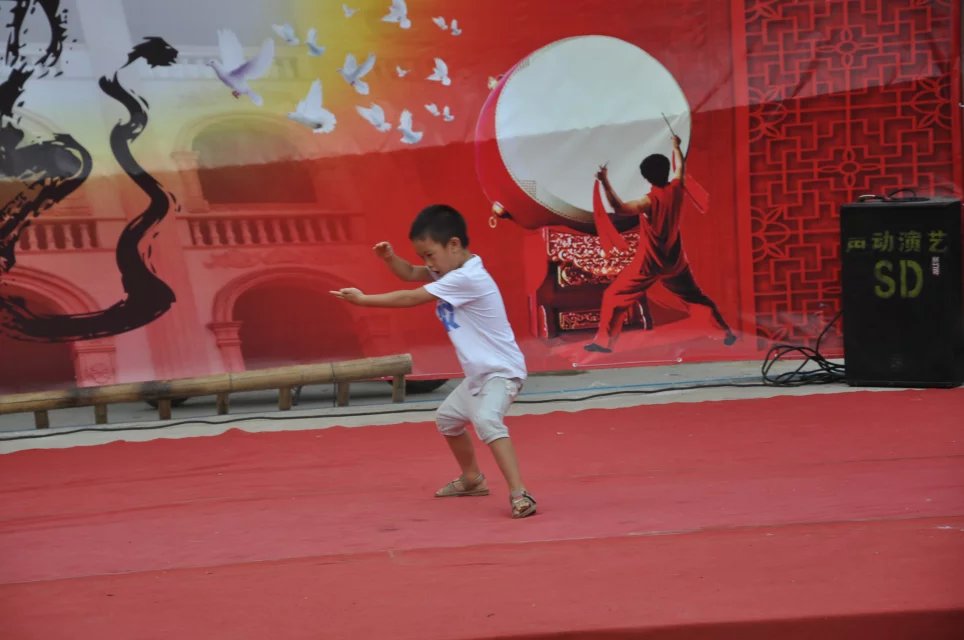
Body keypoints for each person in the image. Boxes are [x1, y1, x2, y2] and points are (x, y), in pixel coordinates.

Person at [330, 204, 537, 519]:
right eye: (423, 256)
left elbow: (410, 297)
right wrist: (390, 258)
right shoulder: (449, 270)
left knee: (486, 421)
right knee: (447, 420)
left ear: (453, 244)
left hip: (502, 372)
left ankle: (520, 494)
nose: (427, 263)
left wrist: (363, 300)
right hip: (479, 375)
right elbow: (410, 274)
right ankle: (472, 479)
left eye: (430, 255)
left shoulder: (468, 278)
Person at [585, 134, 737, 353]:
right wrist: (676, 147)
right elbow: (680, 168)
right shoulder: (677, 188)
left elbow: (619, 208)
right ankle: (725, 333)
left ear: (646, 177)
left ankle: (603, 343)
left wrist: (604, 181)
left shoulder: (649, 201)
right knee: (694, 297)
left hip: (649, 263)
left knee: (613, 296)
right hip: (674, 261)